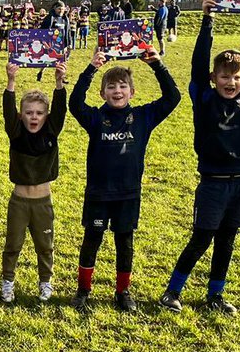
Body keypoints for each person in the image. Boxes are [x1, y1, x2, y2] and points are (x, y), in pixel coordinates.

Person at [160, 0, 240, 315]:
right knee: (202, 239)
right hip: (212, 183)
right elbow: (198, 62)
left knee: (227, 241)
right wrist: (208, 18)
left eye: (236, 77)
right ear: (213, 78)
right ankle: (172, 292)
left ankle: (215, 295)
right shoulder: (204, 97)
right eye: (224, 76)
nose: (231, 82)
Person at [68, 47, 180, 311]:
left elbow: (173, 97)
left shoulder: (143, 116)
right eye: (111, 87)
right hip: (98, 192)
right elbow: (74, 104)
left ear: (132, 92)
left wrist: (157, 65)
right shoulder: (96, 118)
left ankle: (123, 292)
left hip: (128, 193)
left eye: (122, 86)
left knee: (124, 242)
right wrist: (91, 68)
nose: (117, 91)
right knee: (92, 240)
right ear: (102, 93)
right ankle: (83, 290)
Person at [0, 61, 67, 303]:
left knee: (44, 246)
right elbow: (8, 111)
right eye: (29, 112)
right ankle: (8, 282)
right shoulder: (16, 132)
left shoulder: (51, 131)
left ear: (46, 116)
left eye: (39, 113)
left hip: (42, 203)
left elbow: (60, 110)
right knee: (13, 245)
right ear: (21, 115)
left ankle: (45, 282)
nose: (34, 117)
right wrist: (10, 81)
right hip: (19, 202)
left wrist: (59, 82)